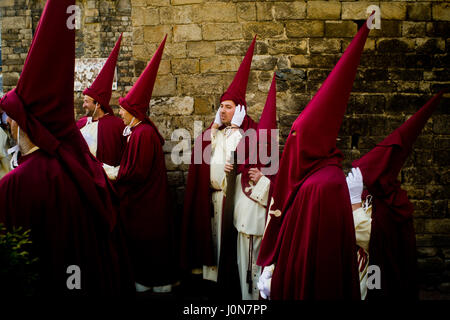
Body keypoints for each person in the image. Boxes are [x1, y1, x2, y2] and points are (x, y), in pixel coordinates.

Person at [0, 0, 134, 295]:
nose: (9, 124)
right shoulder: (87, 171)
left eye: (13, 118)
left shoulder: (13, 187)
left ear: (26, 124)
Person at [256, 16, 375, 300]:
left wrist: (282, 281)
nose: (291, 146)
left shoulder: (323, 185)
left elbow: (314, 257)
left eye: (297, 138)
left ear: (312, 143)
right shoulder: (314, 177)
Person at [182, 37, 275, 299]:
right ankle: (212, 287)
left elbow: (257, 160)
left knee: (228, 248)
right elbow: (199, 159)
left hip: (232, 200)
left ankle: (230, 286)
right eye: (221, 106)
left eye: (228, 107)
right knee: (210, 245)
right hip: (210, 197)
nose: (222, 111)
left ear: (239, 110)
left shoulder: (251, 133)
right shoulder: (212, 133)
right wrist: (211, 133)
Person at [349, 91, 444, 300]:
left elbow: (372, 238)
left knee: (378, 292)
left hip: (381, 271)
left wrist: (355, 204)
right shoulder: (370, 195)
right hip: (368, 266)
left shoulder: (393, 202)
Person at [114, 35, 177, 293]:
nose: (119, 112)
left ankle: (155, 281)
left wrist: (114, 173)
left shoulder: (143, 134)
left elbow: (137, 172)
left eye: (122, 109)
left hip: (146, 202)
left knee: (149, 242)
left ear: (134, 112)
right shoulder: (139, 131)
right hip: (148, 200)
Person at [77, 34, 125, 176]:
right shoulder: (81, 124)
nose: (84, 105)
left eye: (87, 101)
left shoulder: (117, 126)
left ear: (98, 104)